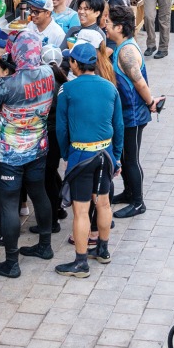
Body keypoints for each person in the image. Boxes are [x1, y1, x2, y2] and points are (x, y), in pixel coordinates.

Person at [0, 33, 56, 277]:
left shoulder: (8, 83)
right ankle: (45, 245)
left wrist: (0, 75)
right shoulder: (49, 74)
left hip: (9, 154)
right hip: (38, 148)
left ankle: (11, 262)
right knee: (39, 194)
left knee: (9, 205)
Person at [55, 43, 123, 277]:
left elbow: (61, 128)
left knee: (81, 211)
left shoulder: (68, 89)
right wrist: (116, 156)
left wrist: (66, 154)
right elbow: (119, 126)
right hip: (105, 154)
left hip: (81, 154)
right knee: (103, 203)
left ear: (74, 63)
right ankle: (103, 250)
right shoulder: (110, 88)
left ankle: (81, 261)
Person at [107, 4, 156, 219]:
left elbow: (140, 83)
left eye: (108, 22)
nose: (105, 25)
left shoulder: (127, 51)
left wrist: (151, 102)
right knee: (126, 157)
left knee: (131, 159)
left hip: (134, 114)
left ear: (119, 27)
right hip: (126, 113)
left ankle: (138, 202)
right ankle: (128, 193)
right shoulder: (121, 46)